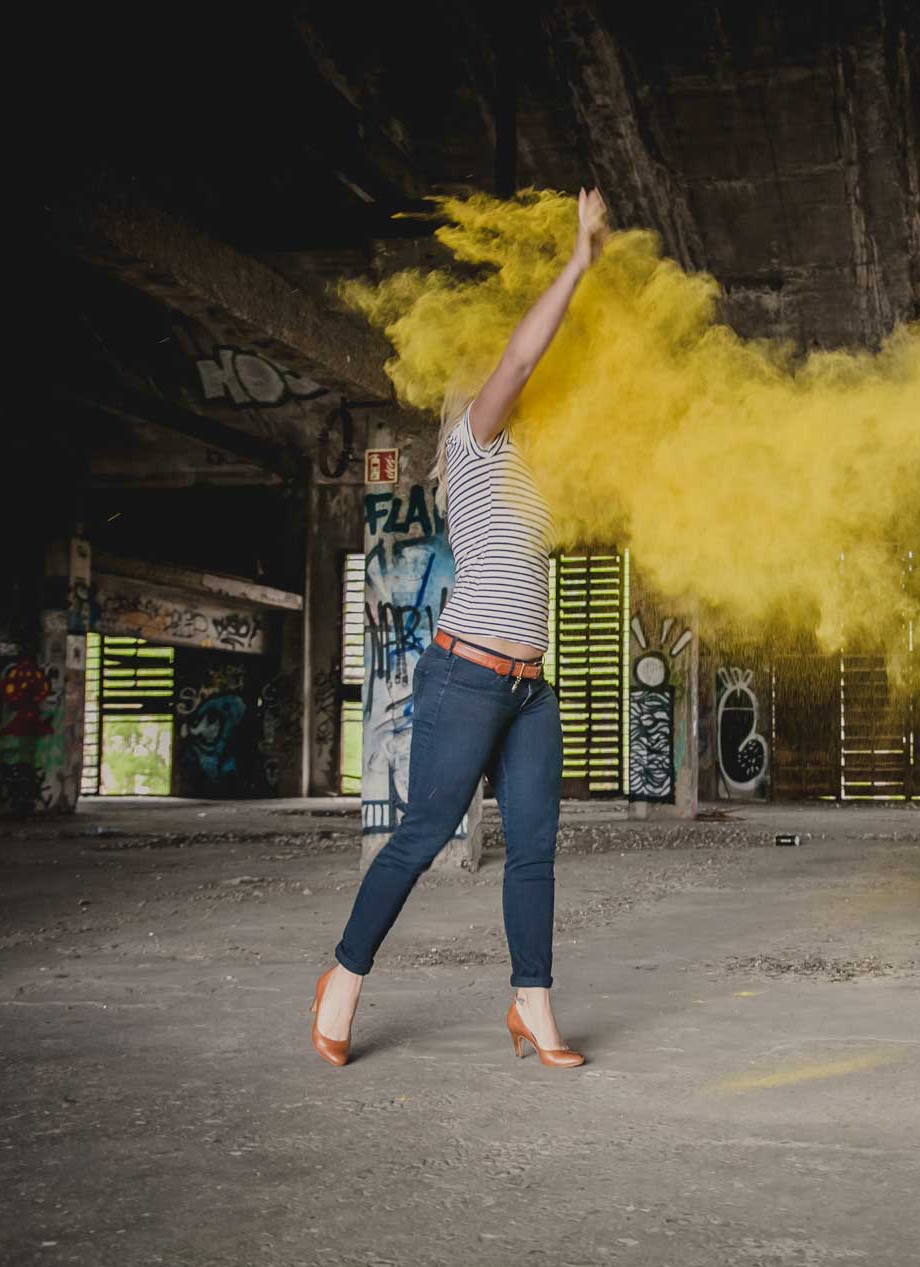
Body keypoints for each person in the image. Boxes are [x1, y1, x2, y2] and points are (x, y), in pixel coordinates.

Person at [309, 188, 613, 1069]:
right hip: (466, 677)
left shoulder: (537, 472)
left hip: (529, 688)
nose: (522, 382)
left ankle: (534, 1009)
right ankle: (342, 980)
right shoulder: (477, 444)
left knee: (536, 850)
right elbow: (521, 359)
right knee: (422, 833)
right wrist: (577, 265)